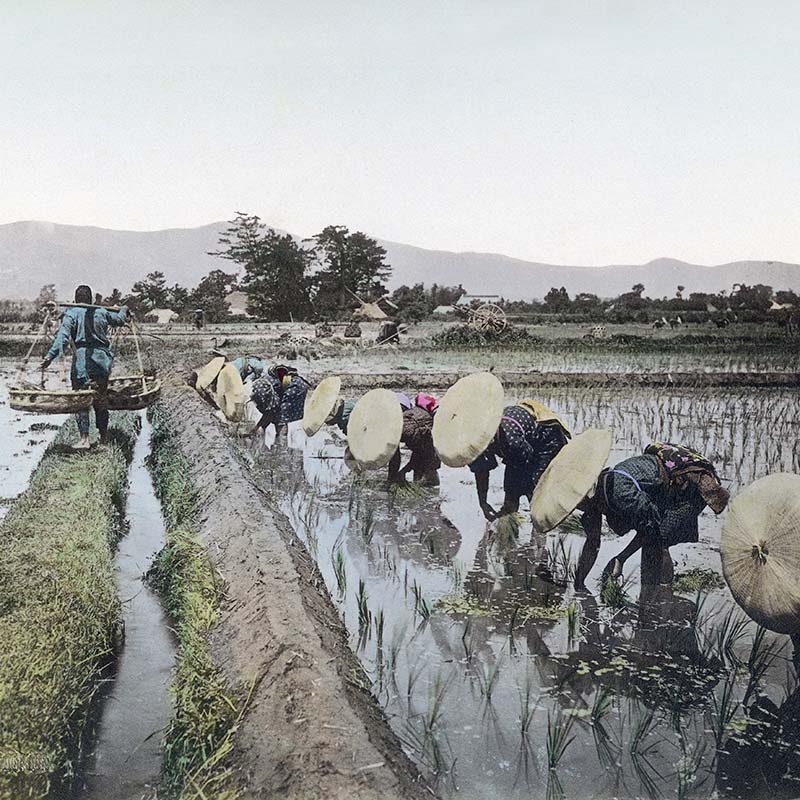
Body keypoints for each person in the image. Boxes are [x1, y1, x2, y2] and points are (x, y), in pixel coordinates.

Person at [574, 442, 730, 590]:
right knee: (656, 540)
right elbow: (592, 543)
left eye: (578, 504)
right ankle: (658, 597)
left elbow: (651, 527)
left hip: (690, 487)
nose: (578, 508)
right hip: (663, 486)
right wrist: (579, 584)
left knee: (657, 541)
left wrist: (620, 559)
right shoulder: (595, 498)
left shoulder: (620, 493)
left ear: (586, 496)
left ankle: (657, 596)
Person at [40, 285, 129, 448]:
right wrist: (124, 309)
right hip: (102, 362)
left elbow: (62, 337)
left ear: (75, 300)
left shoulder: (71, 313)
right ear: (91, 300)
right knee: (100, 398)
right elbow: (120, 320)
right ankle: (103, 437)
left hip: (82, 363)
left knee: (80, 400)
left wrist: (48, 357)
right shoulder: (102, 311)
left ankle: (84, 439)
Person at [469, 400, 571, 520]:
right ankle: (509, 519)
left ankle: (540, 525)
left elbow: (527, 462)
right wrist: (483, 503)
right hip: (520, 445)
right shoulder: (474, 443)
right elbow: (481, 471)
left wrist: (516, 494)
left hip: (546, 439)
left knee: (534, 486)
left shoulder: (511, 440)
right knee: (512, 490)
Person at [388, 392, 441, 485]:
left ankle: (428, 488)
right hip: (427, 443)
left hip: (430, 451)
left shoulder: (403, 429)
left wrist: (401, 472)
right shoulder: (409, 419)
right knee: (423, 477)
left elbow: (419, 454)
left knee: (424, 480)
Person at [250, 365, 310, 443]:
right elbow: (269, 414)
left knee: (282, 418)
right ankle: (280, 442)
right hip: (289, 387)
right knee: (277, 415)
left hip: (295, 388)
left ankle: (282, 446)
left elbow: (269, 413)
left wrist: (257, 427)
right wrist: (259, 427)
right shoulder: (263, 388)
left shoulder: (267, 392)